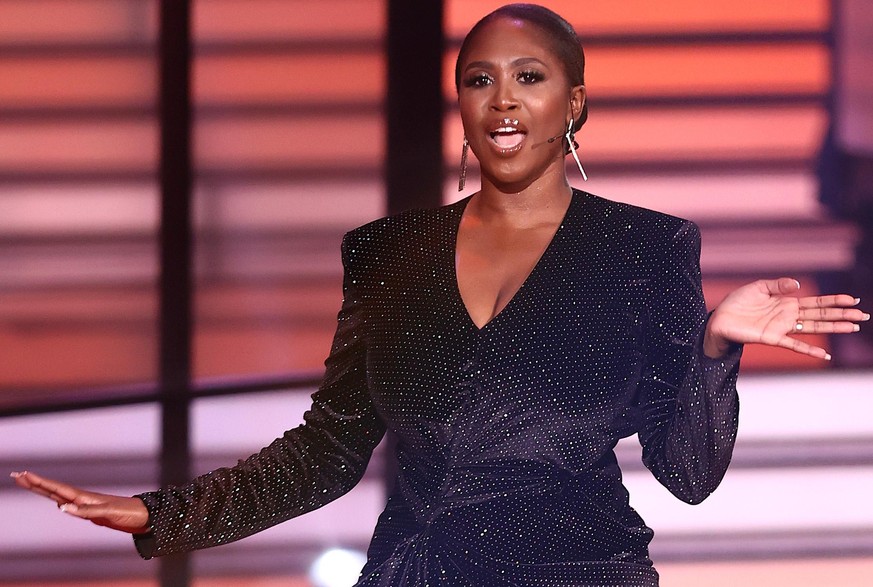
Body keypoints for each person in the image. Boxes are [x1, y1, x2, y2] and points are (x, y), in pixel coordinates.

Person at [12, 4, 869, 586]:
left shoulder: (645, 248)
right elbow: (328, 449)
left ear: (573, 101)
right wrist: (160, 514)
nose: (502, 100)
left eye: (529, 78)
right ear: (460, 102)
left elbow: (685, 472)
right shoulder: (386, 253)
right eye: (478, 78)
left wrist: (715, 347)